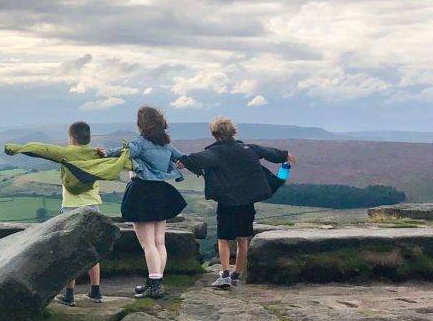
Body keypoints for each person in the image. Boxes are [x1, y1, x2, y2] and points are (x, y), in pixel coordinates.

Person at [4, 121, 132, 306]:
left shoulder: (67, 153)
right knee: (92, 251)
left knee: (69, 252)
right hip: (92, 207)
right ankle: (95, 292)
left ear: (71, 137)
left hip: (71, 208)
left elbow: (42, 149)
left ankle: (69, 295)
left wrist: (18, 148)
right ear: (88, 138)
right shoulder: (97, 154)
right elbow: (125, 162)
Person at [178, 117, 296, 289]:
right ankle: (236, 275)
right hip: (247, 202)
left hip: (227, 202)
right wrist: (285, 155)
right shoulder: (248, 148)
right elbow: (268, 152)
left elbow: (196, 159)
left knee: (223, 238)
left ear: (215, 134)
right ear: (233, 132)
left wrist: (182, 162)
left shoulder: (215, 152)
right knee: (242, 239)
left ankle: (225, 274)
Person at [98, 106, 187, 299]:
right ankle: (154, 281)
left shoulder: (139, 142)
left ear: (142, 123)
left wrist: (104, 153)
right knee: (159, 243)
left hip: (142, 193)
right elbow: (183, 158)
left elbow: (123, 152)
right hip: (161, 193)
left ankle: (155, 286)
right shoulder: (166, 145)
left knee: (148, 245)